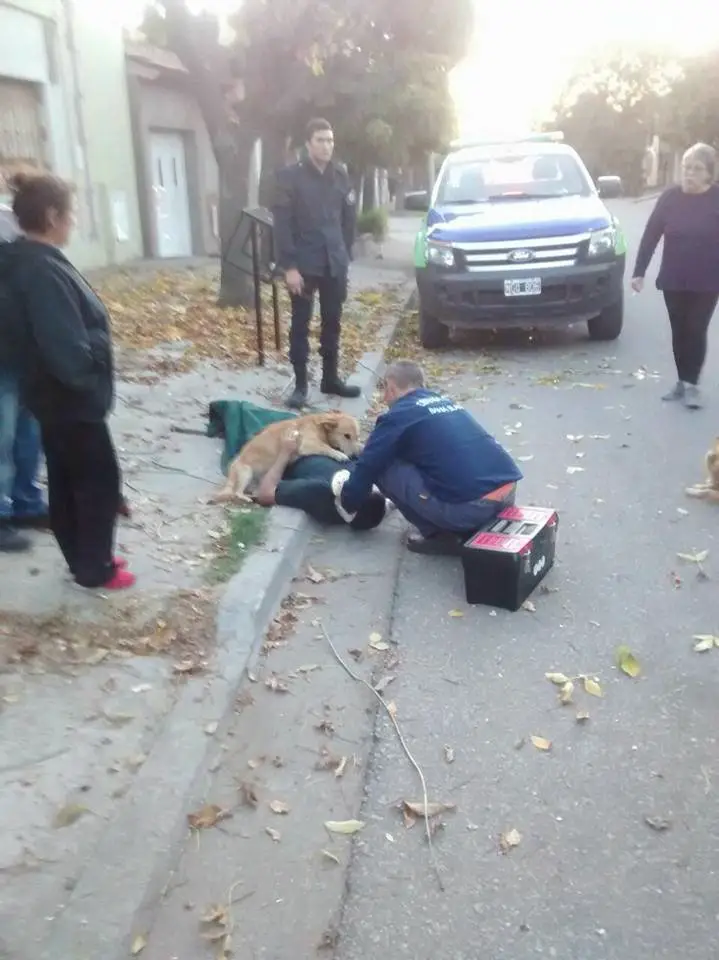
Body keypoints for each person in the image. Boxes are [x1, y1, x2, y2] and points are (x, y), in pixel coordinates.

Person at [3, 170, 134, 589]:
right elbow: (66, 348)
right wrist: (97, 350)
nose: (73, 222)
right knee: (98, 480)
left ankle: (81, 558)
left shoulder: (24, 261)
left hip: (46, 394)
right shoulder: (41, 271)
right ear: (52, 214)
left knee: (65, 475)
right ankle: (95, 567)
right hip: (69, 396)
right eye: (71, 214)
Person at [337, 360, 522, 556]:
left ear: (391, 388)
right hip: (507, 495)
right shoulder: (445, 402)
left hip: (473, 509)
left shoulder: (398, 416)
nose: (384, 398)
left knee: (383, 466)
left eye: (385, 391)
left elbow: (368, 464)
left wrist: (349, 502)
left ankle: (439, 535)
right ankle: (463, 521)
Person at [273, 117, 361, 410]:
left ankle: (330, 378)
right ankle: (300, 385)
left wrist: (345, 254)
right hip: (304, 264)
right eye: (321, 140)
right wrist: (290, 267)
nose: (327, 146)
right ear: (308, 144)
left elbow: (349, 219)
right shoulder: (291, 177)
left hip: (334, 263)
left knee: (332, 321)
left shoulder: (340, 175)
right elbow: (282, 225)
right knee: (300, 324)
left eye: (330, 140)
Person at [631, 142, 719, 409]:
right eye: (686, 168)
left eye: (696, 169)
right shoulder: (670, 198)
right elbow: (651, 234)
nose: (689, 174)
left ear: (709, 173)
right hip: (674, 278)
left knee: (696, 328)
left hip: (708, 280)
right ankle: (682, 381)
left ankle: (692, 385)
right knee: (679, 330)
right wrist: (639, 271)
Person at [0, 199, 48, 552]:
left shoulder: (8, 216)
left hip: (24, 347)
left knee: (29, 432)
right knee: (1, 438)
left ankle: (26, 503)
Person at [254, 428, 388, 531]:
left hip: (295, 453)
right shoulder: (363, 482)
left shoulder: (319, 492)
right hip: (326, 445)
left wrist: (285, 452)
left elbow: (265, 494)